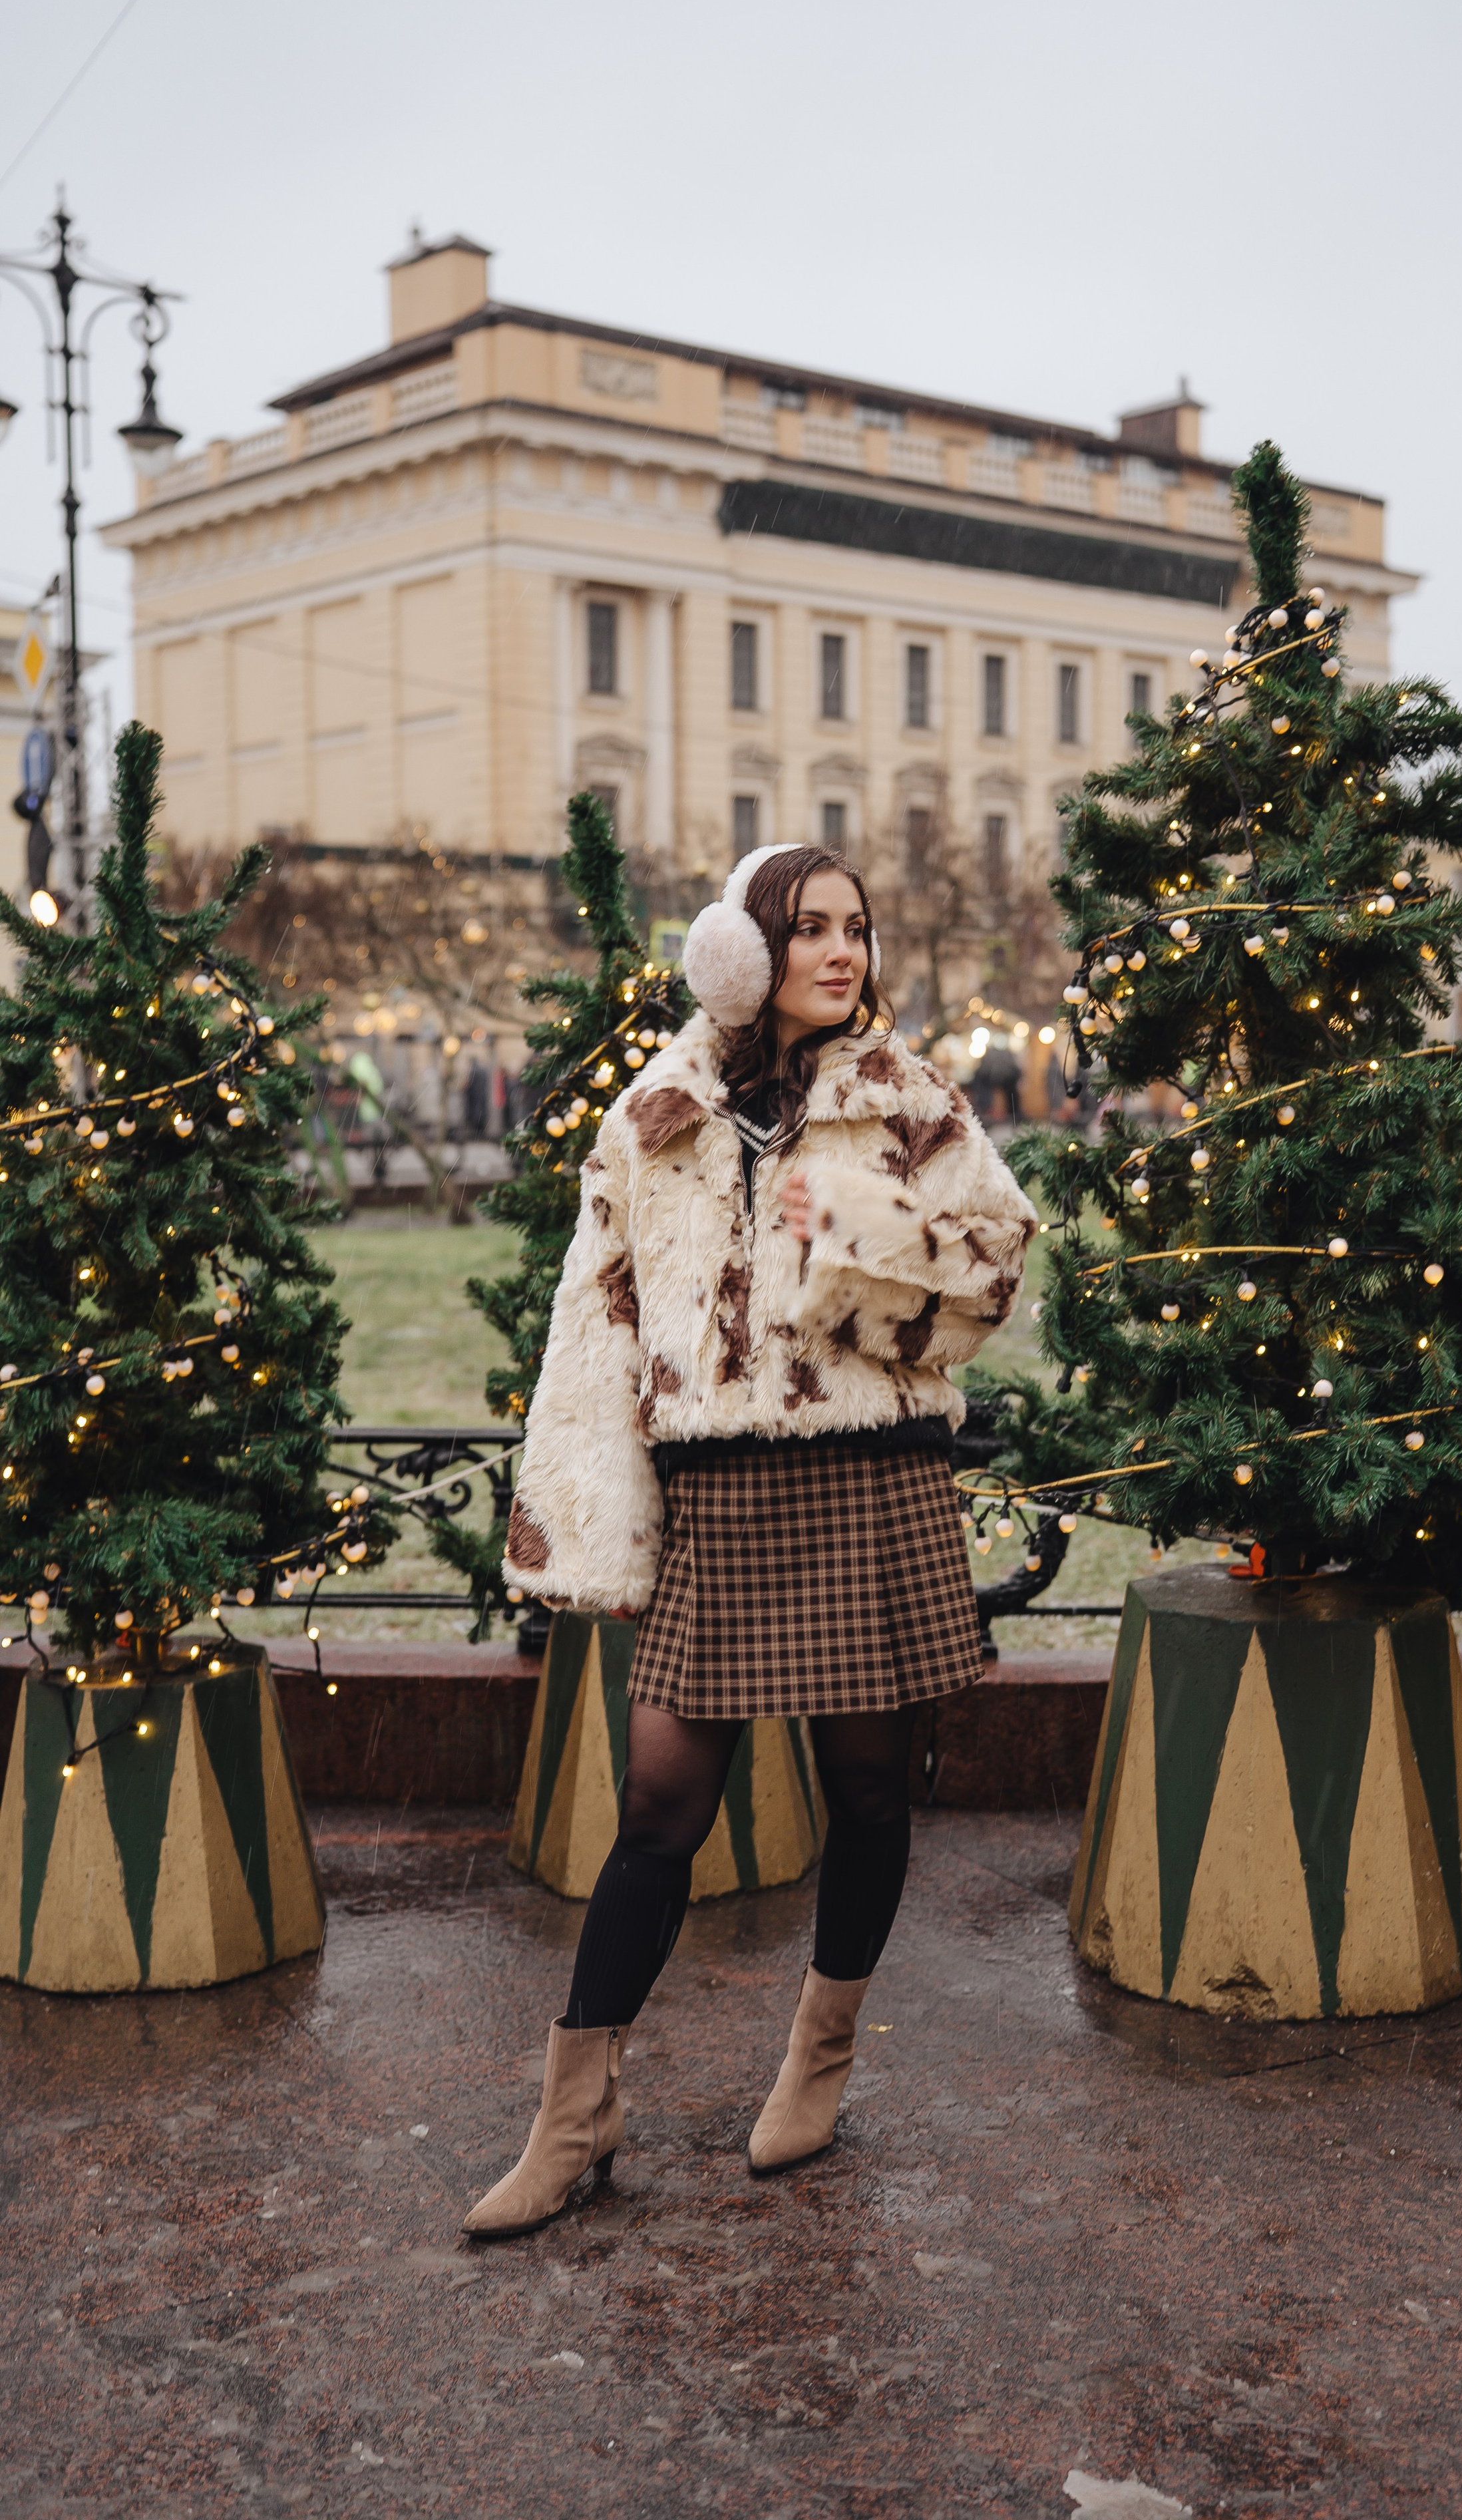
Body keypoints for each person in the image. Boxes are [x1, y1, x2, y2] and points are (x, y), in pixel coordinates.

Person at [464, 843, 1035, 2235]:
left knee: (870, 1790)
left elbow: (994, 1268)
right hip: (718, 1491)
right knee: (659, 1804)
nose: (840, 953)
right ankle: (574, 2114)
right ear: (744, 950)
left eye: (856, 927)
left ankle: (818, 2056)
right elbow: (593, 1326)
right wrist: (587, 1528)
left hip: (868, 1476)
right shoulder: (655, 1113)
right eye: (808, 930)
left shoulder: (906, 1094)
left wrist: (854, 1224)